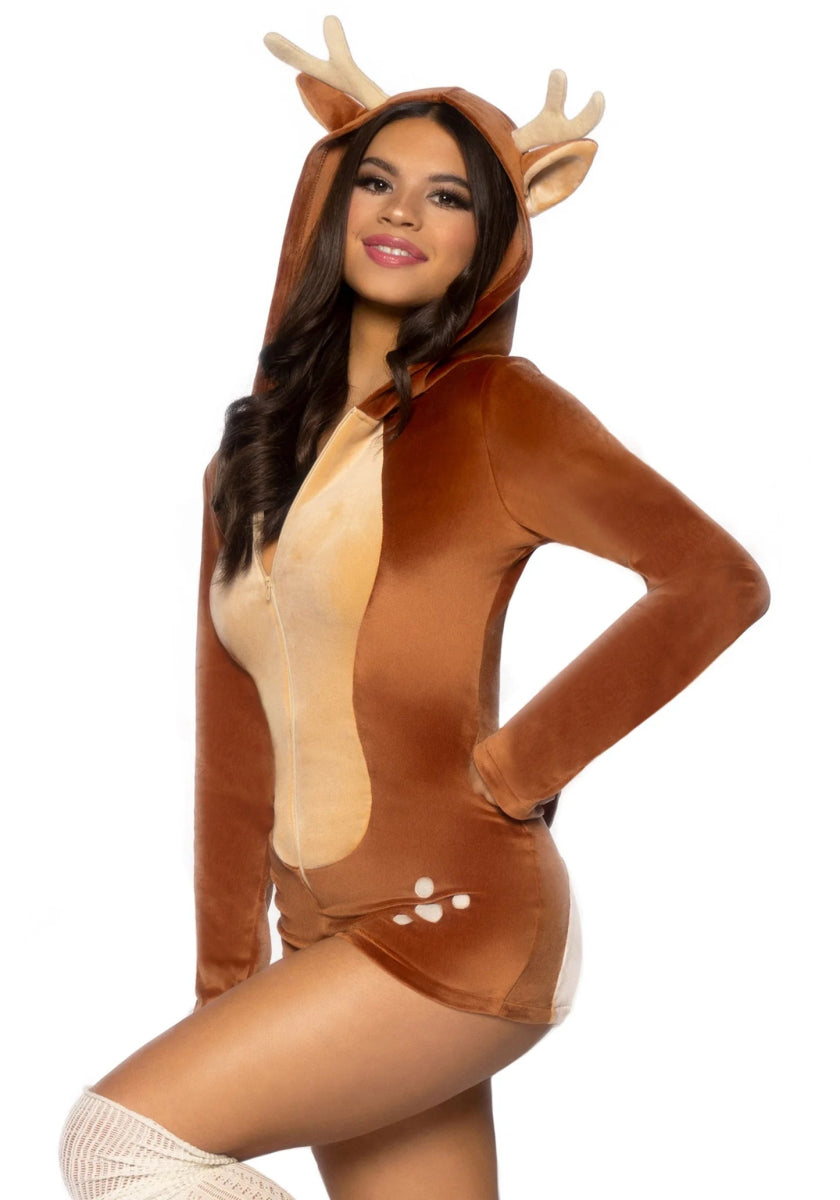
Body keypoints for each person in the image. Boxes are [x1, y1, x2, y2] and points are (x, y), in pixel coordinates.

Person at [57, 17, 771, 1200]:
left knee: (120, 1145)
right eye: (377, 181)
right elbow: (234, 743)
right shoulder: (250, 460)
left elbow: (715, 580)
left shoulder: (498, 415)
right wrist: (228, 983)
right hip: (324, 934)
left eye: (448, 197)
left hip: (459, 913)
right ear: (331, 200)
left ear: (492, 237)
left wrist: (518, 767)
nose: (402, 213)